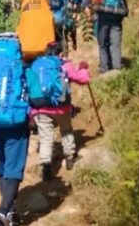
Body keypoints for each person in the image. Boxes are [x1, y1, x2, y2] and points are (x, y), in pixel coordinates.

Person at [0, 33, 31, 226]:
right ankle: (2, 214)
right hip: (15, 122)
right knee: (13, 169)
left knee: (1, 168)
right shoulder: (21, 65)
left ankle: (9, 211)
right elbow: (34, 90)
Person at [28, 44, 91, 181]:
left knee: (45, 137)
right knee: (66, 130)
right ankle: (70, 158)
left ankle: (46, 165)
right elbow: (83, 79)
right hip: (61, 107)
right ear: (60, 53)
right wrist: (83, 69)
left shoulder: (35, 65)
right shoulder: (63, 64)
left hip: (40, 108)